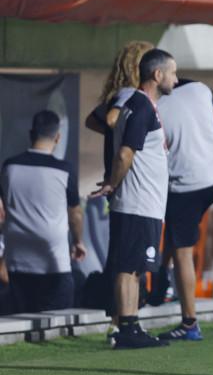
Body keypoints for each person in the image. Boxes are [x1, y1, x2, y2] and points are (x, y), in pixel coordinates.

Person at [92, 48, 177, 349]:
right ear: (157, 74)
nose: (176, 79)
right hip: (137, 202)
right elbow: (125, 153)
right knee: (128, 266)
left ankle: (131, 326)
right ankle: (126, 328)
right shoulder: (140, 106)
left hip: (144, 203)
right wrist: (112, 184)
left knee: (134, 266)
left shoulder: (139, 104)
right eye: (173, 73)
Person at [153, 78, 213, 341]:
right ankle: (160, 277)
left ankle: (189, 323)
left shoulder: (154, 103)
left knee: (183, 252)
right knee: (177, 233)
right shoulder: (201, 88)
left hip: (186, 184)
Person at [0, 110, 86, 313]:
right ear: (57, 137)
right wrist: (78, 241)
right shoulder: (65, 170)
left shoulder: (9, 167)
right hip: (53, 261)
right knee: (56, 318)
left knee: (20, 316)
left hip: (17, 259)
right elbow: (75, 214)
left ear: (31, 134)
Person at [85, 41, 154, 182]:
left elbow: (92, 121)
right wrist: (130, 136)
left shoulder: (122, 94)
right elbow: (111, 119)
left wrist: (117, 135)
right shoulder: (131, 94)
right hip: (128, 179)